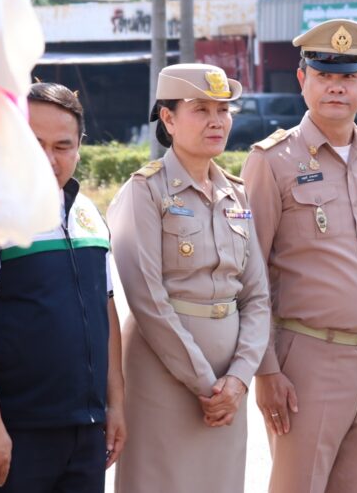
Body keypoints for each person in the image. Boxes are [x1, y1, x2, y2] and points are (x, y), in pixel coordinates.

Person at [241, 19, 357, 493]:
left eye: (349, 77)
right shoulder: (271, 161)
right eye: (324, 76)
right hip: (308, 360)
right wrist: (266, 369)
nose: (336, 88)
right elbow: (251, 273)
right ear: (303, 80)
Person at [0, 83, 126, 492]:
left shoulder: (87, 212)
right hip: (12, 435)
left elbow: (106, 311)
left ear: (79, 147)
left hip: (85, 433)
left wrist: (115, 405)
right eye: (33, 144)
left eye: (62, 146)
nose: (48, 159)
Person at [106, 63, 271, 492]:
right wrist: (205, 382)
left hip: (228, 382)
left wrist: (239, 378)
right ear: (168, 118)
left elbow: (257, 296)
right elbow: (147, 300)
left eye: (223, 110)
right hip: (163, 376)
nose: (216, 121)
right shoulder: (145, 191)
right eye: (200, 109)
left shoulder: (236, 193)